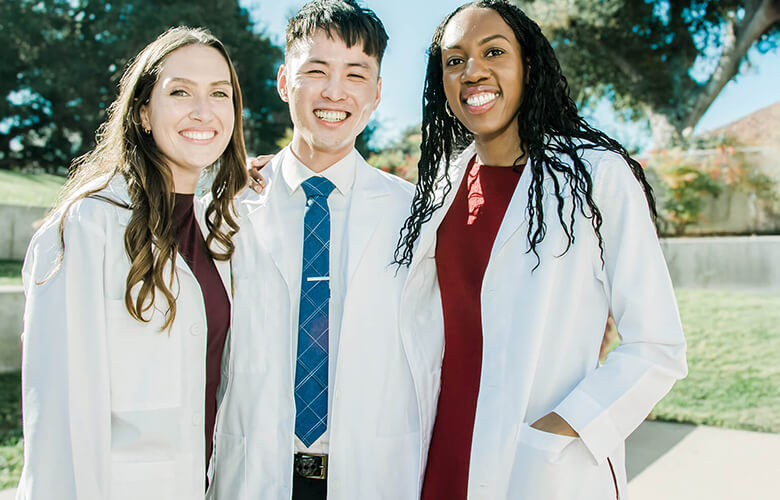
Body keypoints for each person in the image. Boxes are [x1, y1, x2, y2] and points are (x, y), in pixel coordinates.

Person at [394, 1, 688, 499]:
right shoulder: (437, 191)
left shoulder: (596, 178)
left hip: (537, 468)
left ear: (528, 67)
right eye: (454, 60)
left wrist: (558, 431)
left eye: (494, 51)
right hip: (438, 460)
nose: (473, 71)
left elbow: (657, 346)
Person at [17, 27, 248, 500]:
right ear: (143, 111)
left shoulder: (218, 229)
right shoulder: (85, 227)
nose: (203, 111)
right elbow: (58, 419)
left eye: (219, 93)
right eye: (180, 91)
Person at [208, 1, 417, 499]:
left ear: (378, 93)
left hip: (371, 474)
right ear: (284, 82)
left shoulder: (414, 215)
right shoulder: (226, 210)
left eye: (356, 74)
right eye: (316, 70)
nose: (334, 92)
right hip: (253, 473)